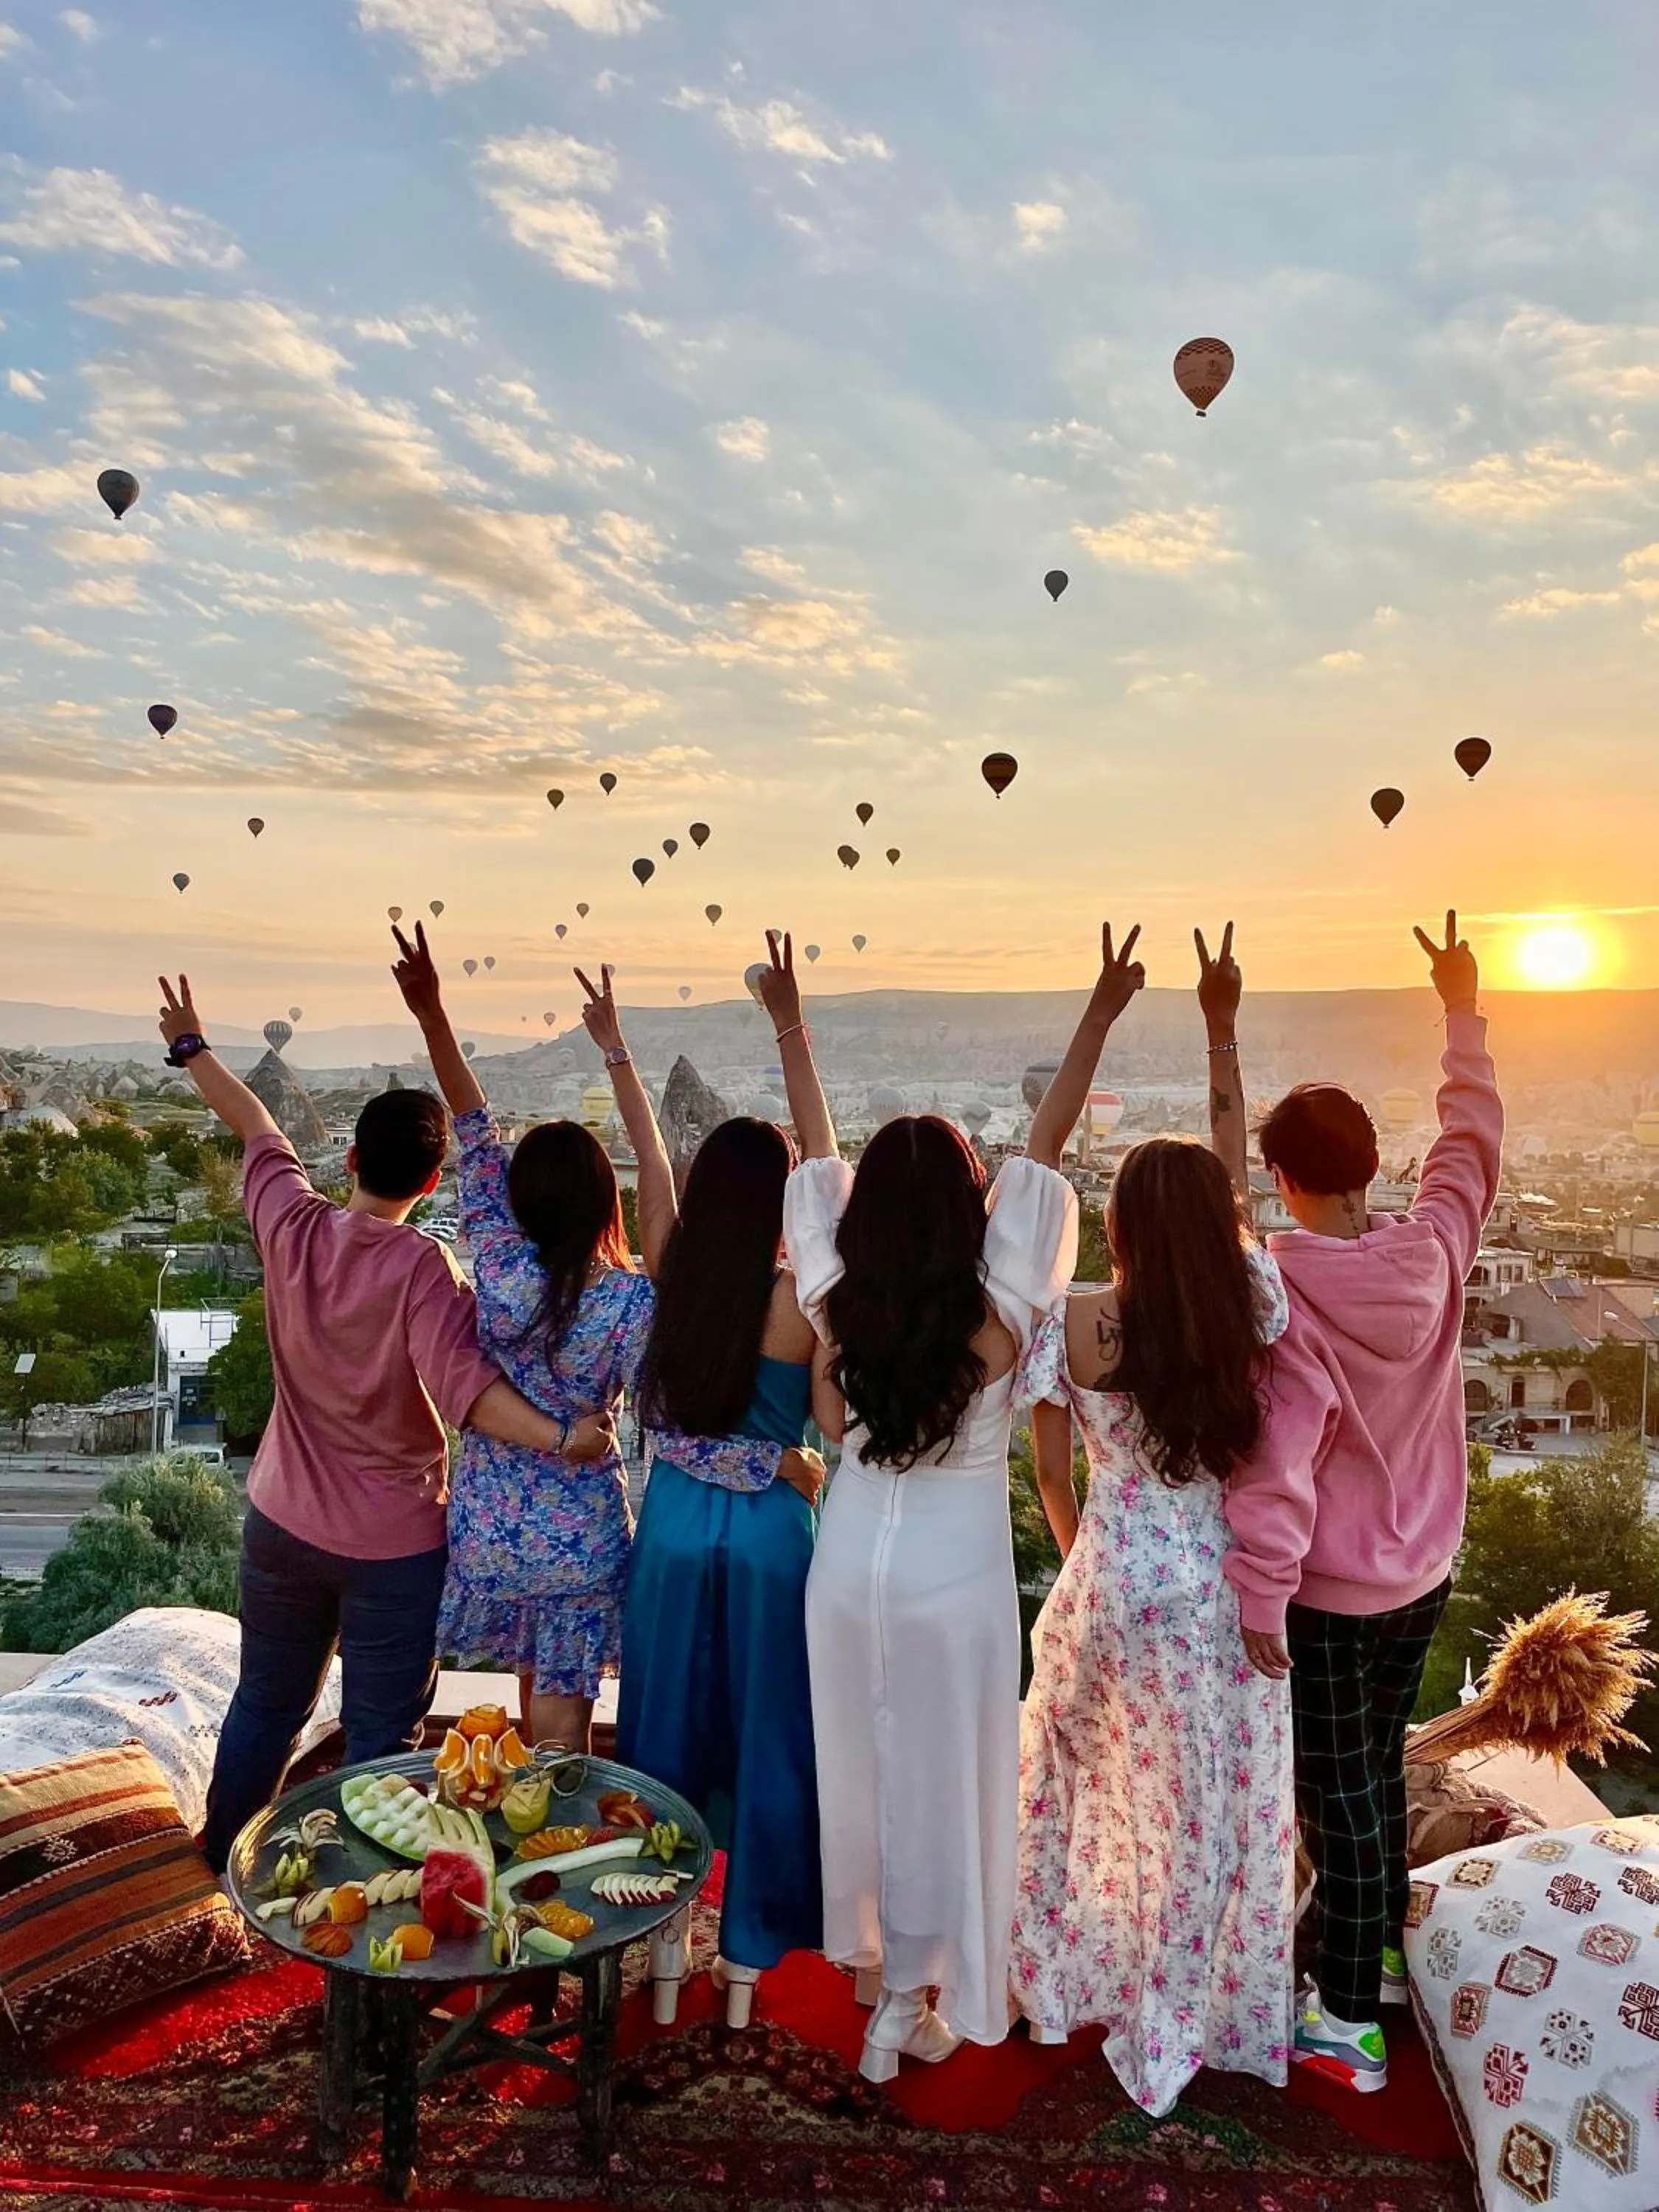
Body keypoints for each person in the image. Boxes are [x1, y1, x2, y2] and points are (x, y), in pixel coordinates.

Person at [156, 975, 614, 1872]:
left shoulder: (290, 1222)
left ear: (354, 1162)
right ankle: (362, 1902)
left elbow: (258, 1126)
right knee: (382, 1735)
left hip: (282, 1521)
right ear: (434, 1178)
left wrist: (192, 1048)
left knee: (265, 1705)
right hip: (394, 1546)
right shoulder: (422, 1268)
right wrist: (567, 1439)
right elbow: (470, 1394)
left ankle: (222, 1869)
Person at [762, 928, 1088, 2085]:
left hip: (846, 1559)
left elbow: (814, 1153)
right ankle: (913, 1993)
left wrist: (790, 1025)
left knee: (863, 1760)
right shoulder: (996, 1310)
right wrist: (1096, 1013)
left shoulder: (840, 1298)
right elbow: (1042, 1155)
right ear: (968, 1208)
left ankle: (879, 1977)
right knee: (954, 1779)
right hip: (954, 1575)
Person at [1010, 922, 1301, 2116]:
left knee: (1080, 1792)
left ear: (1122, 1224)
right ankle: (1181, 2013)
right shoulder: (1246, 1303)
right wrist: (1221, 1030)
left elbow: (1051, 1476)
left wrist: (1090, 1564)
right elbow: (1228, 1199)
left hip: (1111, 1576)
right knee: (1206, 1816)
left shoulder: (1076, 1321)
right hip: (1219, 1588)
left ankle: (1059, 1983)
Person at [1247, 911, 1503, 2093]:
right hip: (1423, 1568)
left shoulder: (1286, 1297)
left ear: (1285, 1180)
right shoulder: (1437, 1247)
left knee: (1335, 1792)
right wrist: (1460, 1009)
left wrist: (1257, 1595)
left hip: (1331, 1589)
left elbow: (1281, 1465)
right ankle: (1379, 1965)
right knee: (1374, 1775)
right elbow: (1470, 1147)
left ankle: (1347, 2020)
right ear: (1372, 1170)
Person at [391, 926, 661, 1753]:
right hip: (579, 1526)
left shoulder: (499, 1266)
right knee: (560, 1733)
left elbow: (472, 1129)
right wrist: (618, 1056)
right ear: (598, 1203)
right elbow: (661, 1186)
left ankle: (509, 1851)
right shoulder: (628, 1303)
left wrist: (433, 1015)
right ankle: (556, 1860)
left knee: (515, 1710)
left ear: (520, 1202)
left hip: (493, 1522)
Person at [616, 1101, 825, 2030]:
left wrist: (619, 1055)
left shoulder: (673, 1276)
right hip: (771, 1540)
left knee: (665, 1731)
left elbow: (649, 1170)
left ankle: (660, 1940)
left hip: (670, 1533)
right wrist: (784, 1460)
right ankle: (744, 1967)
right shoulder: (799, 1298)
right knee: (768, 1739)